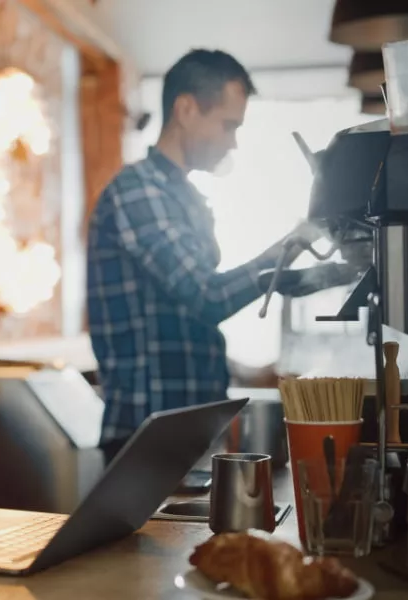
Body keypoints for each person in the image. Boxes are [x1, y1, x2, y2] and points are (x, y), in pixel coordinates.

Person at [86, 50, 334, 461]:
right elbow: (206, 297)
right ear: (185, 109)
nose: (233, 141)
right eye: (227, 125)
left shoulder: (184, 198)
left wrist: (247, 371)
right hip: (147, 436)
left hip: (185, 427)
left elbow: (182, 327)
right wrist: (287, 248)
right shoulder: (139, 191)